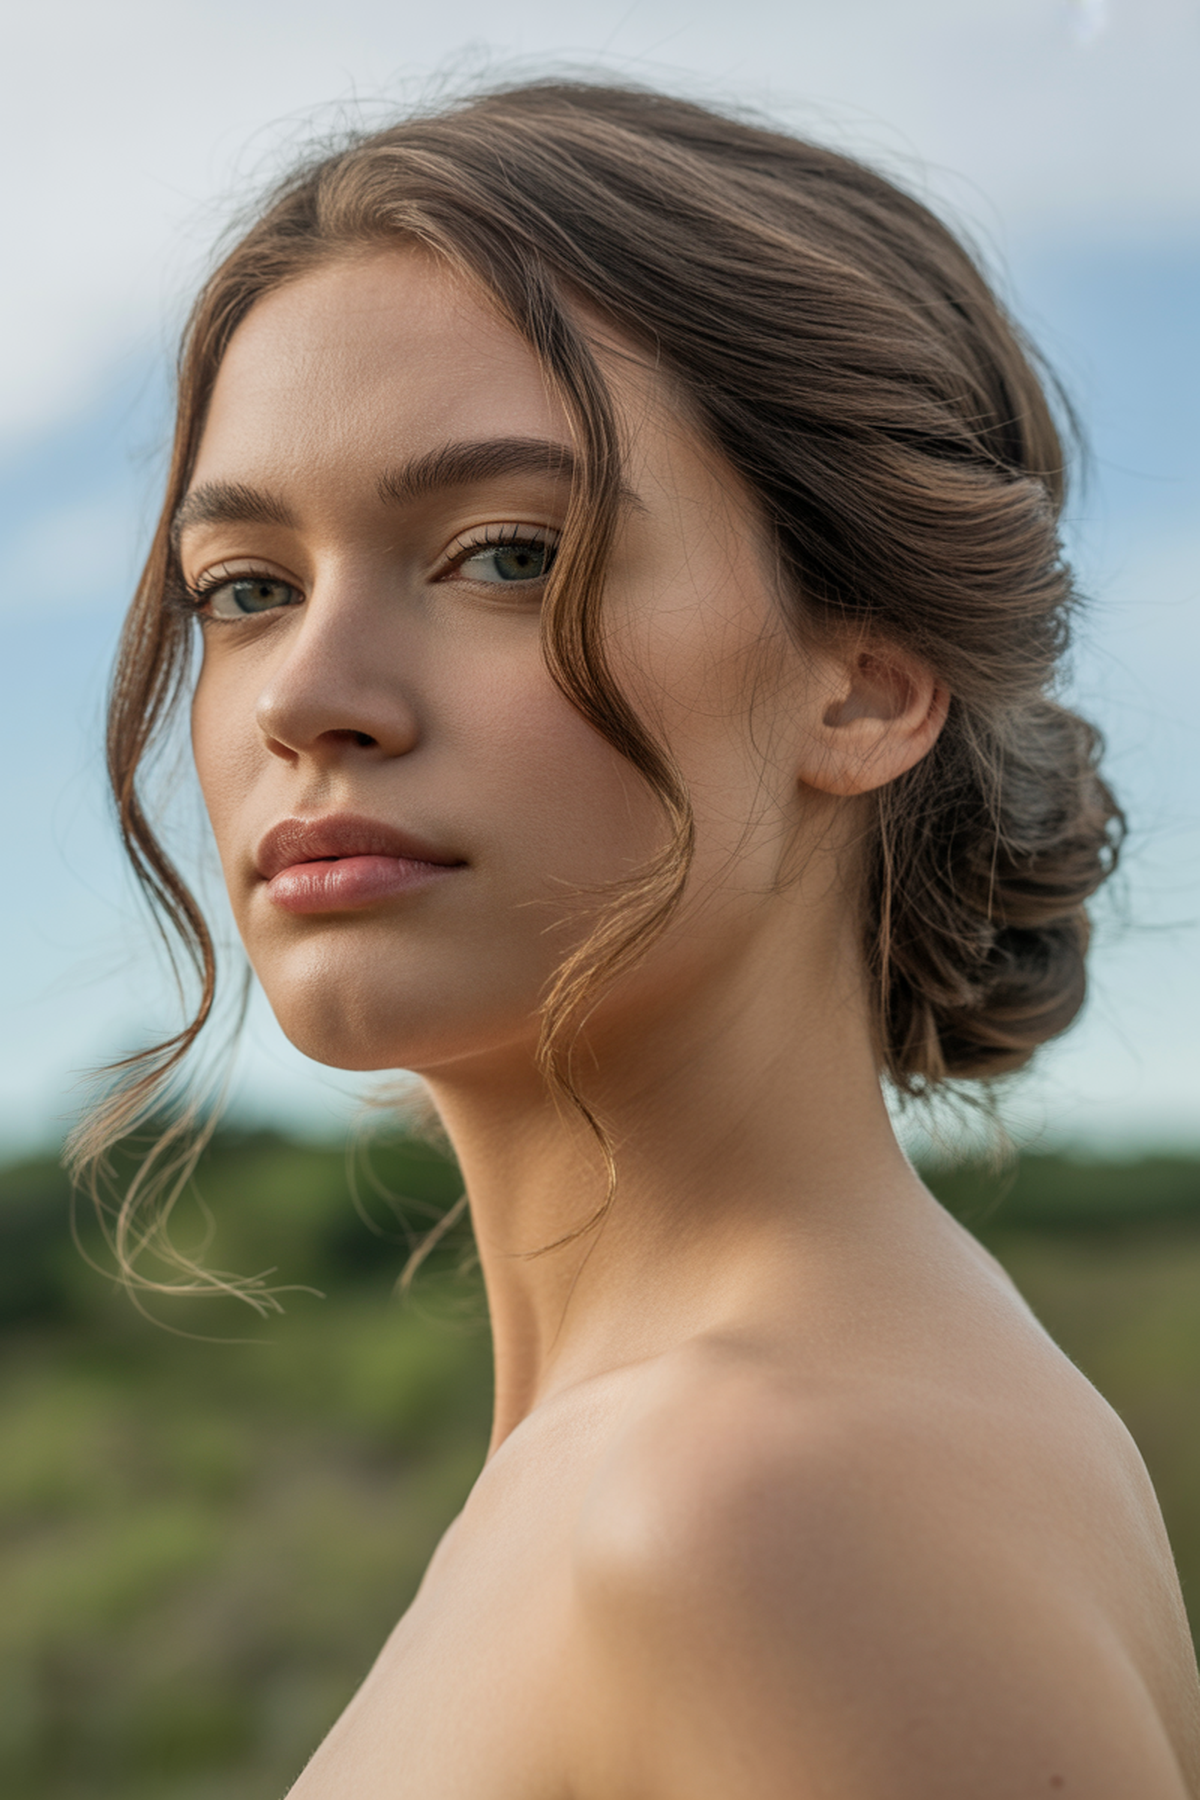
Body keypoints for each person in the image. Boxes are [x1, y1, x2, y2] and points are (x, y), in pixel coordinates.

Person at [76, 79, 1200, 1797]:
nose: (307, 697)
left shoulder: (770, 1504)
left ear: (865, 682)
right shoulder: (697, 1449)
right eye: (247, 586)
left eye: (506, 553)